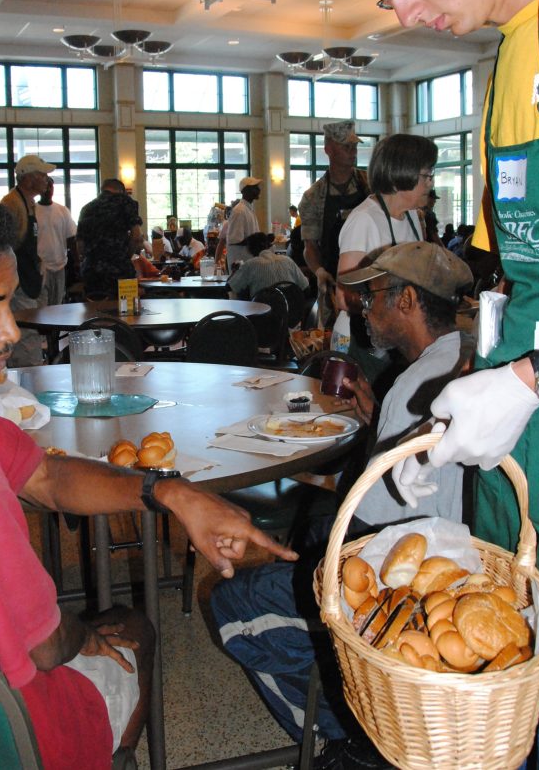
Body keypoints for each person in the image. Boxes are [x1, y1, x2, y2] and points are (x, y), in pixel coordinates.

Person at [0, 172, 297, 770]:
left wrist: (169, 492)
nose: (12, 331)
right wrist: (80, 634)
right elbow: (45, 645)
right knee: (132, 628)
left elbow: (45, 477)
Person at [334, 0, 539, 765]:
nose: (408, 10)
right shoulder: (507, 60)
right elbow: (521, 280)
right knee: (507, 680)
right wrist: (462, 396)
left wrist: (531, 382)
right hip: (527, 449)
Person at [211, 242, 474, 766]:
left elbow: (368, 525)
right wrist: (379, 420)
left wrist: (313, 477)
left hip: (405, 585)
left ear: (407, 302)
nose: (362, 307)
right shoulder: (460, 357)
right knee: (311, 535)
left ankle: (355, 736)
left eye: (373, 296)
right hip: (457, 553)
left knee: (231, 607)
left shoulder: (416, 384)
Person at [335, 133, 434, 380]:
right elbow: (343, 296)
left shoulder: (412, 216)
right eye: (426, 176)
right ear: (401, 173)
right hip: (361, 342)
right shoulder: (365, 220)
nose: (431, 184)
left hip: (396, 338)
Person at [298, 121, 370, 328]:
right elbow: (310, 246)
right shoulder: (313, 197)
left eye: (354, 146)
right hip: (334, 283)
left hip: (372, 282)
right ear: (328, 149)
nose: (353, 151)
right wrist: (319, 270)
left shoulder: (370, 185)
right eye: (346, 146)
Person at [0, 154, 54, 366]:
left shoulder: (29, 203)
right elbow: (5, 249)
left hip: (29, 280)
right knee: (25, 339)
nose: (46, 181)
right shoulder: (12, 204)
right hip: (19, 285)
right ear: (28, 178)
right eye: (42, 175)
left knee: (31, 335)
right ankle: (30, 385)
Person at [77, 183, 142, 298]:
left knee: (93, 311)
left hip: (92, 271)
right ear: (121, 192)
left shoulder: (87, 208)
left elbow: (80, 245)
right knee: (127, 311)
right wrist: (126, 256)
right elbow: (136, 237)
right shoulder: (126, 203)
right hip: (120, 270)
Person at [35, 176, 78, 307]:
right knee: (42, 304)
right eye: (45, 186)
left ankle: (54, 328)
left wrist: (77, 261)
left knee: (57, 303)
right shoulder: (34, 210)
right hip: (41, 266)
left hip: (59, 264)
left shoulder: (62, 210)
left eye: (50, 187)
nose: (48, 190)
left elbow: (71, 238)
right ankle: (43, 328)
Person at [227, 231, 310, 299]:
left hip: (264, 315)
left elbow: (230, 287)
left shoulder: (250, 264)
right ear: (268, 245)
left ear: (249, 250)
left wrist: (234, 271)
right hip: (292, 314)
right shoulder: (287, 260)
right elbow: (305, 288)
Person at [226, 177, 262, 268]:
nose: (259, 190)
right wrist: (257, 240)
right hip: (240, 262)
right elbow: (234, 240)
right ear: (246, 191)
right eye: (255, 187)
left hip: (248, 260)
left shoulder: (247, 209)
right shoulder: (240, 211)